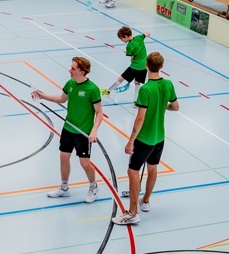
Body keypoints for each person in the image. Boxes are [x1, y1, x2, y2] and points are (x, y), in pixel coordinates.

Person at [113, 52, 179, 226]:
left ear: (146, 66)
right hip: (159, 138)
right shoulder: (168, 84)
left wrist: (130, 141)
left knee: (133, 171)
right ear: (162, 66)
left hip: (145, 139)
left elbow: (140, 119)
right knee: (152, 168)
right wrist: (159, 106)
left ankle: (133, 212)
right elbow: (175, 106)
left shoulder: (146, 89)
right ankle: (146, 201)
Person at [33, 57, 104, 204]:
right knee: (64, 158)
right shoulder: (70, 83)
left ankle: (94, 186)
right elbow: (61, 98)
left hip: (83, 132)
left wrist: (94, 131)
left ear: (82, 71)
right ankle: (64, 188)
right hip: (68, 128)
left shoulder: (92, 89)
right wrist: (42, 95)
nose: (69, 70)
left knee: (85, 163)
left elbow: (100, 113)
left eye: (73, 68)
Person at [102, 27, 151, 100]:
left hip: (135, 66)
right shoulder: (139, 37)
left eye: (121, 38)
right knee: (137, 82)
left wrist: (133, 59)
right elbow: (147, 34)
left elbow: (132, 58)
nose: (121, 40)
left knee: (121, 78)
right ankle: (136, 101)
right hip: (145, 66)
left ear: (126, 36)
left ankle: (108, 91)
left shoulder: (129, 46)